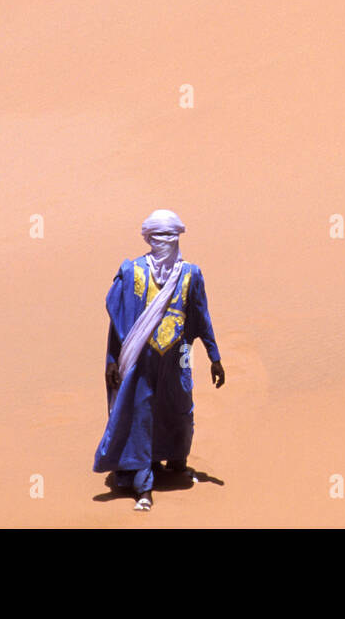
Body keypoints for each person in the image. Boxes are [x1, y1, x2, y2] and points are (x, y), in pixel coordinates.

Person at [93, 209, 225, 511]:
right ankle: (143, 486)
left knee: (178, 410)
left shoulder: (190, 273)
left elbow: (201, 316)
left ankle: (175, 462)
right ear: (149, 239)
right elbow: (118, 321)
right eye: (159, 236)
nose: (166, 241)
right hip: (141, 360)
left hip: (177, 356)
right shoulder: (133, 272)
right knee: (141, 415)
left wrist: (214, 356)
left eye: (171, 236)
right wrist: (113, 360)